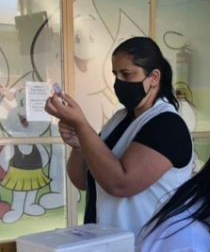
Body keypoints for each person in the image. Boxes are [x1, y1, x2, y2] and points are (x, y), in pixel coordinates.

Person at [45, 36, 193, 233]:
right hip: (105, 240)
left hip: (144, 247)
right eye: (116, 75)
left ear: (154, 77)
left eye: (127, 74)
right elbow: (82, 181)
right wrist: (79, 145)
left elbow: (120, 184)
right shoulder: (120, 118)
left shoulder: (167, 125)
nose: (119, 83)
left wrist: (82, 125)